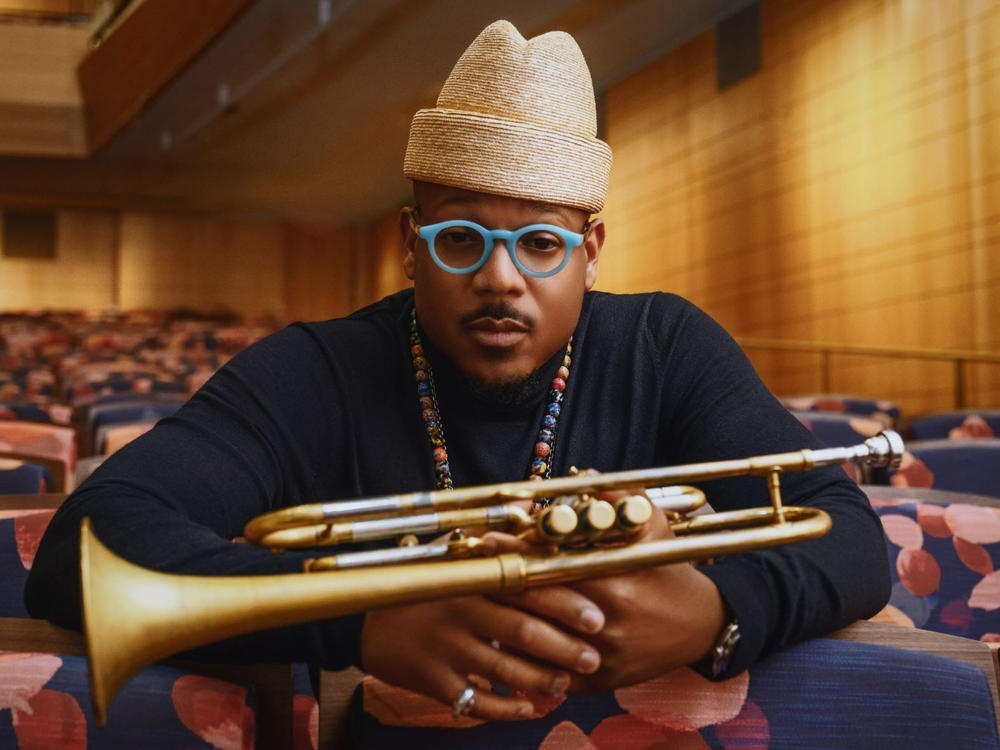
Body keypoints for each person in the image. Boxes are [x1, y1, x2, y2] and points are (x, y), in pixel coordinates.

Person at [25, 20, 889, 724]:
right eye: (461, 238)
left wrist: (714, 610)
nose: (501, 279)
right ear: (411, 245)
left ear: (590, 251)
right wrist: (360, 617)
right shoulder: (317, 369)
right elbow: (91, 541)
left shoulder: (666, 344)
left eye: (542, 244)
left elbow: (844, 529)